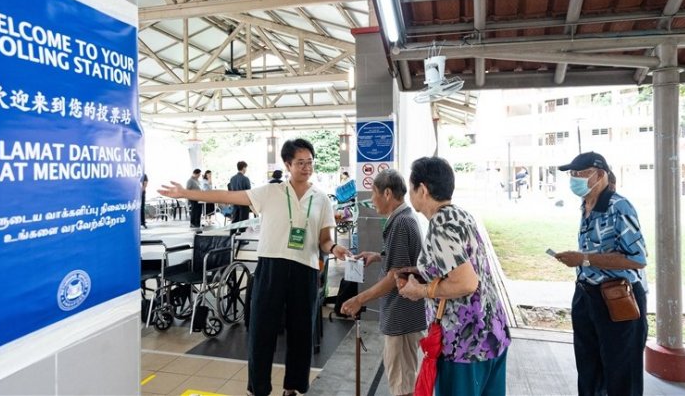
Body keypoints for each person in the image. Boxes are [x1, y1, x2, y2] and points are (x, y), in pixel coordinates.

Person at [159, 139, 349, 396]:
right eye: (300, 163)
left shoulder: (322, 199)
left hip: (305, 270)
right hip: (271, 267)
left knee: (301, 331)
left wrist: (334, 248)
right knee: (262, 330)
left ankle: (293, 387)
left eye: (310, 162)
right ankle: (258, 388)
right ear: (287, 165)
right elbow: (227, 196)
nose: (306, 168)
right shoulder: (270, 193)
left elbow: (324, 239)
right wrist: (187, 193)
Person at [399, 157, 511, 396]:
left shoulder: (440, 224)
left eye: (411, 187)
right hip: (490, 333)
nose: (410, 193)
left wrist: (421, 291)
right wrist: (422, 273)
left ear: (423, 190)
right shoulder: (460, 215)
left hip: (465, 343)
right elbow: (462, 267)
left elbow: (466, 282)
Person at [554, 151, 648, 396]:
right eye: (572, 174)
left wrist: (584, 258)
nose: (575, 179)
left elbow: (637, 259)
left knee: (620, 373)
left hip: (618, 299)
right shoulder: (586, 204)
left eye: (581, 174)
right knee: (588, 367)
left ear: (600, 175)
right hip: (587, 295)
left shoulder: (619, 206)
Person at [340, 169, 427, 396]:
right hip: (408, 316)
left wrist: (359, 299)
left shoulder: (400, 222)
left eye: (373, 192)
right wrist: (378, 255)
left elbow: (395, 276)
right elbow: (404, 261)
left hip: (402, 317)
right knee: (405, 378)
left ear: (387, 193)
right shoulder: (405, 217)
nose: (371, 198)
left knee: (402, 385)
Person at [229, 161, 252, 233]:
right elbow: (249, 191)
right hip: (243, 202)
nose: (246, 170)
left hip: (234, 201)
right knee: (243, 221)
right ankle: (241, 239)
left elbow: (230, 189)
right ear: (244, 168)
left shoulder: (232, 178)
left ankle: (232, 237)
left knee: (235, 220)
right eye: (246, 168)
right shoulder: (245, 179)